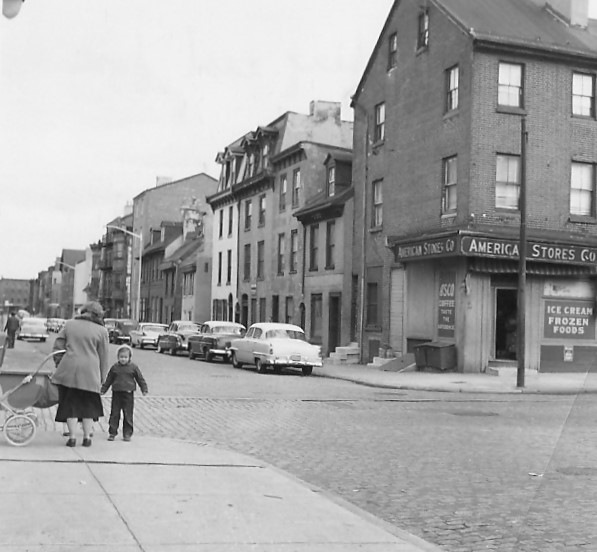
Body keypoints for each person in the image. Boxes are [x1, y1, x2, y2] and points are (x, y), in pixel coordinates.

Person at [52, 301, 109, 447]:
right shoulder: (102, 331)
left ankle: (71, 437)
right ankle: (87, 437)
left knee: (70, 405)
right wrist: (102, 377)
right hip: (90, 372)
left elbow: (58, 346)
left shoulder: (69, 325)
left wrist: (60, 364)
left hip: (69, 370)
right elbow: (104, 357)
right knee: (88, 408)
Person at [101, 344, 148, 442]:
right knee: (114, 413)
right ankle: (112, 432)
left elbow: (140, 379)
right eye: (121, 357)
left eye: (125, 357)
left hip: (128, 393)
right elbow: (109, 380)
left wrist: (144, 389)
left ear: (129, 358)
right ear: (118, 357)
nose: (123, 359)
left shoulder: (133, 367)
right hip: (117, 393)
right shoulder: (114, 368)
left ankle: (127, 433)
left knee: (128, 414)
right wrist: (103, 389)